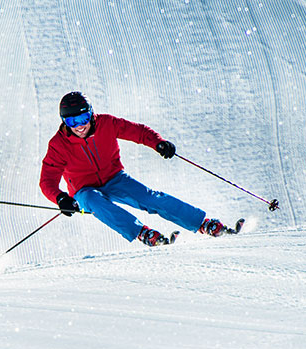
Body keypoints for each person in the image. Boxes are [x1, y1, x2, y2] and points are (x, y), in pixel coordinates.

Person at [39, 91, 229, 246]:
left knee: (150, 198)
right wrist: (61, 198)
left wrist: (158, 143)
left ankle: (203, 224)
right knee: (92, 199)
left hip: (114, 179)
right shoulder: (58, 145)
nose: (80, 126)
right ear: (64, 122)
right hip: (83, 190)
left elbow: (138, 131)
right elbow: (47, 180)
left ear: (91, 113)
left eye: (83, 117)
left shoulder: (107, 124)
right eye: (72, 121)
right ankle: (142, 233)